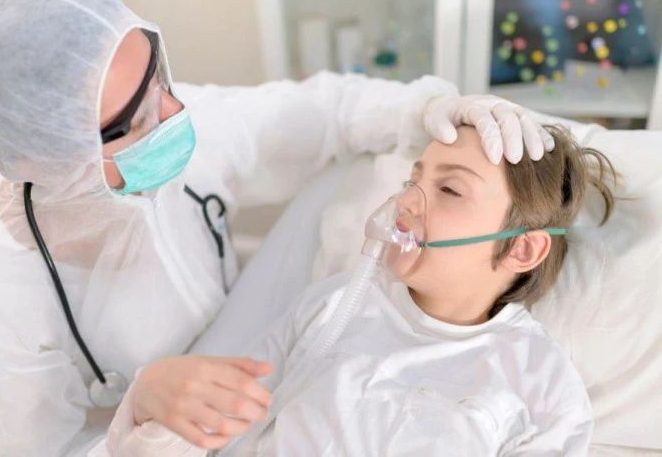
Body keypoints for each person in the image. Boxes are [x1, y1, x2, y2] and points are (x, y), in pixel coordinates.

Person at [0, 0, 556, 456]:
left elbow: (325, 114)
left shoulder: (529, 377)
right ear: (43, 158)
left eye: (159, 78)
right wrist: (138, 411)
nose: (173, 114)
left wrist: (429, 111)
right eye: (133, 120)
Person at [96, 125, 615, 455]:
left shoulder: (540, 386)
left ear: (522, 249)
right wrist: (150, 409)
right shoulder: (333, 306)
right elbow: (219, 430)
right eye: (413, 180)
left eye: (449, 189)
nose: (406, 201)